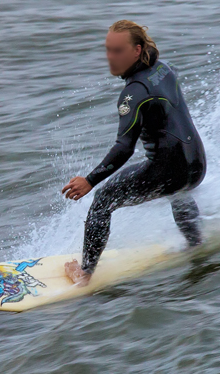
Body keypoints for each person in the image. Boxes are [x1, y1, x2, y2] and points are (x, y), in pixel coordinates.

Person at [61, 20, 207, 286]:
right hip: (196, 163)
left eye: (118, 51)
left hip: (170, 171)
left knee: (103, 200)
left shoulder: (133, 94)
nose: (110, 58)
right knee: (178, 191)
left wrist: (90, 181)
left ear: (137, 50)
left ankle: (84, 275)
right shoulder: (164, 69)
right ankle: (196, 242)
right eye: (108, 50)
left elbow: (124, 148)